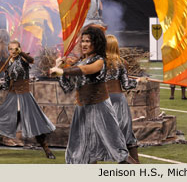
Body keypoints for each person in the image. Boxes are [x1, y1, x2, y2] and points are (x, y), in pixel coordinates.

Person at [50, 26, 137, 164]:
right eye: (82, 41)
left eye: (88, 41)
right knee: (80, 153)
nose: (84, 44)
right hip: (82, 111)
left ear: (96, 43)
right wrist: (59, 68)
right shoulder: (79, 62)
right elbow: (68, 87)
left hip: (100, 109)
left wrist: (63, 71)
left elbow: (86, 70)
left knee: (118, 151)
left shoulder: (100, 61)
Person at [0, 40, 56, 159]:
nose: (13, 51)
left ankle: (48, 151)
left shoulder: (23, 60)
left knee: (35, 125)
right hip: (12, 98)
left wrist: (22, 53)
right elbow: (7, 84)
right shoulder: (8, 65)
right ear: (8, 50)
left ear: (19, 49)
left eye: (16, 49)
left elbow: (32, 61)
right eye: (11, 49)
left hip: (25, 97)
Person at [105, 34, 140, 163]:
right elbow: (126, 85)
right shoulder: (122, 62)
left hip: (103, 101)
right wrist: (138, 81)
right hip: (118, 100)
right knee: (126, 133)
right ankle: (135, 162)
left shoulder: (98, 63)